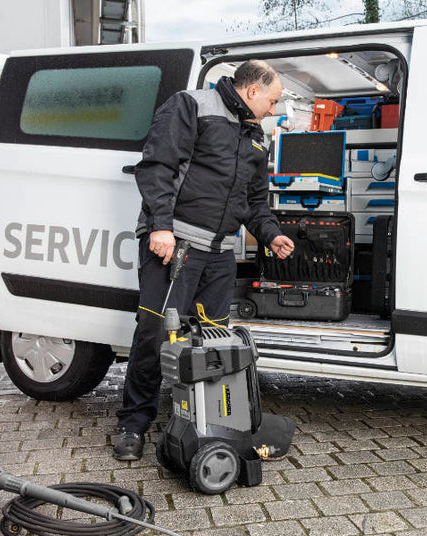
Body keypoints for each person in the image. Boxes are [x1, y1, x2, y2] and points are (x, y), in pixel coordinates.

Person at [113, 59, 295, 461]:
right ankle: (133, 424)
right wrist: (161, 226)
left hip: (219, 255)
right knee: (154, 335)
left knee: (214, 341)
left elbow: (254, 202)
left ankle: (205, 424)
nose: (275, 109)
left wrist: (272, 234)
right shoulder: (192, 105)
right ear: (252, 91)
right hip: (175, 246)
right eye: (274, 100)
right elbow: (157, 166)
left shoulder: (257, 135)